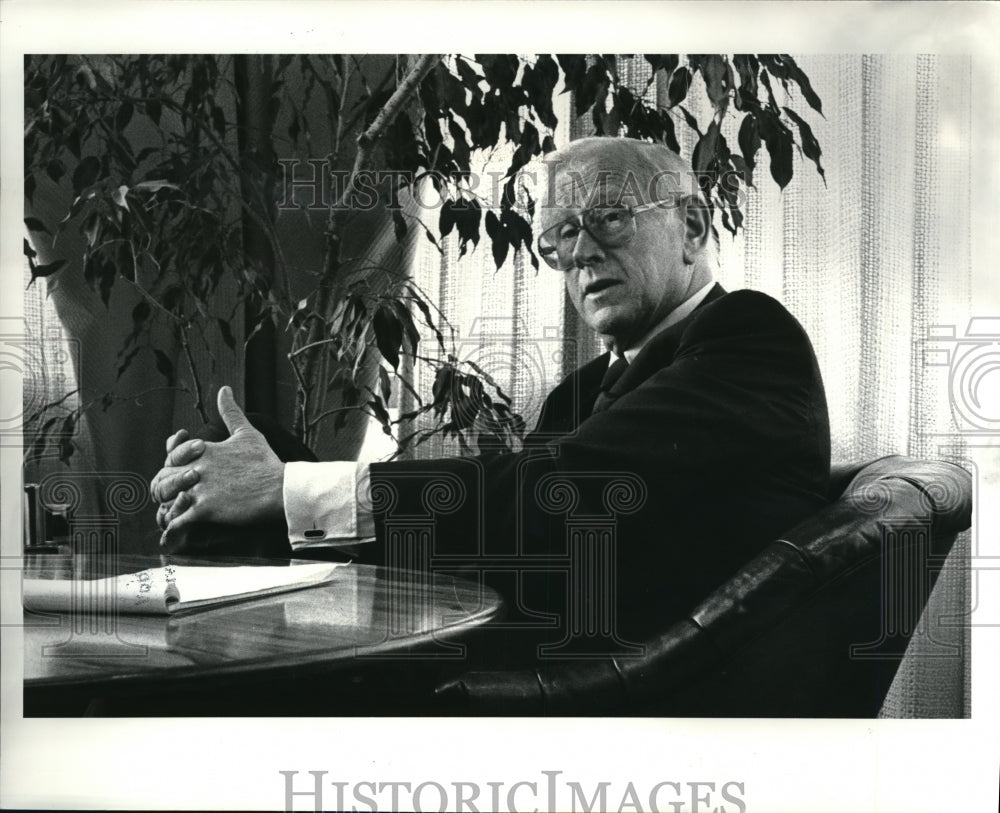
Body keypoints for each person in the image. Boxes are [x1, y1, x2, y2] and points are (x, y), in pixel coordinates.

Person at [151, 136, 830, 648]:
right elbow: (508, 531)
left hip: (598, 685)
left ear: (693, 227)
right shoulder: (586, 387)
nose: (582, 253)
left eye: (610, 219)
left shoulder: (751, 338)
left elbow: (554, 494)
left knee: (267, 494)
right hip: (513, 634)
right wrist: (265, 485)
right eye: (561, 235)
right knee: (243, 446)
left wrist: (288, 490)